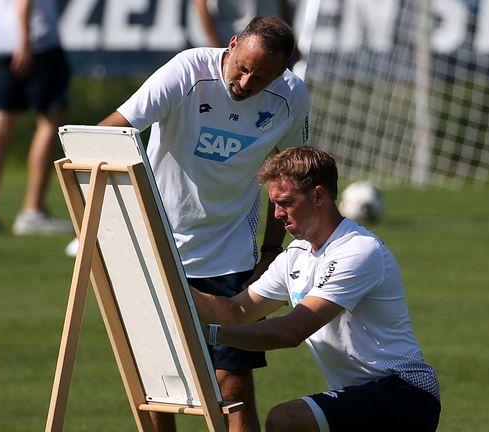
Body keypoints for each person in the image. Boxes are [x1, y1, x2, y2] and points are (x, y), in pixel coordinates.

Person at [87, 16, 309, 432]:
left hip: (230, 256)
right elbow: (113, 129)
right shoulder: (187, 70)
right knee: (158, 391)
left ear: (280, 75)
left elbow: (289, 176)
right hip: (154, 247)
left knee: (233, 387)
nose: (245, 82)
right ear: (232, 44)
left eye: (260, 78)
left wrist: (270, 253)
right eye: (242, 67)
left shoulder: (291, 96)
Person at [191, 146, 441, 432]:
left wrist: (211, 335)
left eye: (285, 202)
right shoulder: (295, 254)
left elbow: (290, 332)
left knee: (287, 420)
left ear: (318, 196)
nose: (277, 214)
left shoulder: (357, 250)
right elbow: (236, 310)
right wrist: (171, 284)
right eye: (273, 203)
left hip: (405, 392)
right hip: (362, 396)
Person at [0, 0, 73, 236]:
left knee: (0, 119)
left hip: (2, 42)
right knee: (50, 121)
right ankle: (32, 211)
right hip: (37, 42)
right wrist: (24, 39)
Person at [192, 0, 295, 48]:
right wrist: (215, 44)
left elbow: (283, 3)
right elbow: (200, 3)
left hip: (275, 41)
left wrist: (292, 39)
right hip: (231, 40)